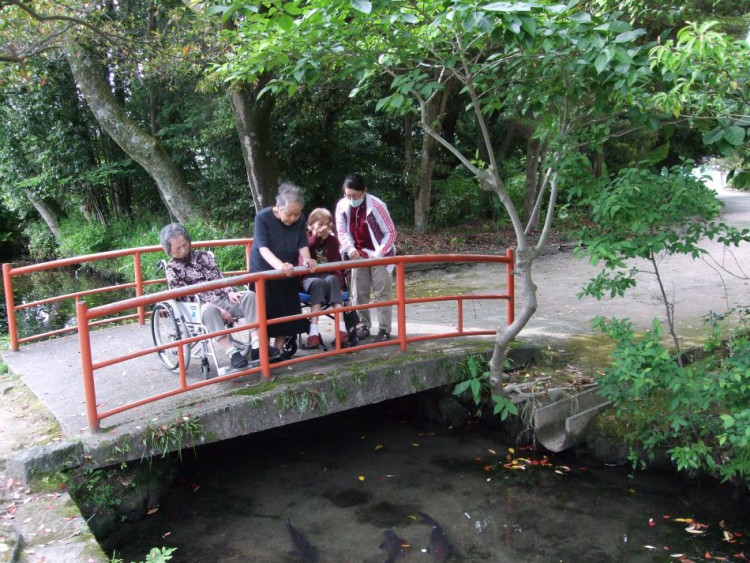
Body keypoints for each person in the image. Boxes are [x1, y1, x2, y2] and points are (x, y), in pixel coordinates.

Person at [159, 223, 280, 370]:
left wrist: (230, 291)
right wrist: (217, 307)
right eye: (178, 248)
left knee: (249, 296)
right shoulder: (172, 268)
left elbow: (219, 277)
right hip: (199, 306)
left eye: (185, 244)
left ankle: (257, 346)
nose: (183, 250)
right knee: (209, 309)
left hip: (222, 297)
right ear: (169, 249)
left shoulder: (203, 256)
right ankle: (233, 353)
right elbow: (181, 295)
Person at [250, 183, 317, 351]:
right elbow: (262, 247)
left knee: (287, 314)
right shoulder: (262, 218)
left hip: (288, 271)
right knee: (265, 314)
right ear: (278, 206)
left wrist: (308, 260)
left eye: (297, 213)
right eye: (290, 214)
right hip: (264, 271)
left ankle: (278, 350)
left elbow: (302, 243)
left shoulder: (300, 219)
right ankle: (264, 353)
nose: (294, 218)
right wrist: (279, 265)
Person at [335, 173, 397, 342]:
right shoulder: (342, 206)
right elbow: (341, 230)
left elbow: (390, 233)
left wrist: (379, 254)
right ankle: (363, 324)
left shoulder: (377, 205)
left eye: (356, 196)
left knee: (382, 292)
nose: (352, 199)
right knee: (358, 291)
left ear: (364, 191)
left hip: (379, 254)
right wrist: (349, 248)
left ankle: (384, 328)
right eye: (348, 195)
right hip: (358, 254)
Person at [301, 208, 349, 349]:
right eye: (320, 224)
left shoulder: (333, 241)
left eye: (327, 224)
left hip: (329, 277)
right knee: (318, 283)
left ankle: (342, 331)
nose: (324, 228)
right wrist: (317, 237)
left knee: (332, 280)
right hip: (309, 278)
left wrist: (341, 286)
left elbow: (337, 264)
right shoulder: (304, 239)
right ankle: (313, 334)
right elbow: (304, 253)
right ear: (311, 226)